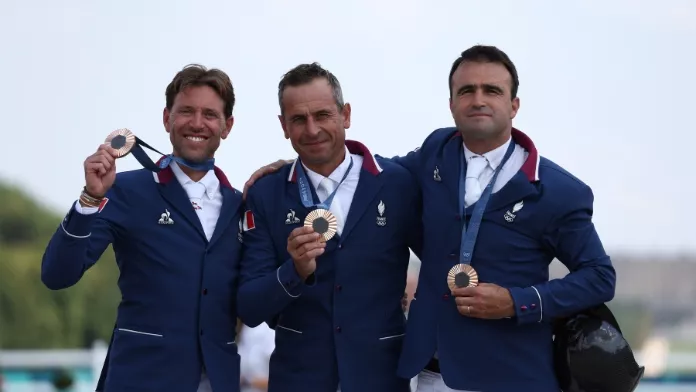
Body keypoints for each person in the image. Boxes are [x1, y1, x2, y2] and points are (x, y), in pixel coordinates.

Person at [243, 45, 616, 392]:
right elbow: (354, 172)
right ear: (452, 104)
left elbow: (600, 277)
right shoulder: (433, 155)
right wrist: (289, 169)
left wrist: (518, 302)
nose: (479, 100)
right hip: (431, 374)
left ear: (514, 104)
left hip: (514, 373)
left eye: (492, 90)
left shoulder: (558, 190)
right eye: (467, 90)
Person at [41, 64, 245, 392]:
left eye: (209, 114)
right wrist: (90, 199)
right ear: (167, 118)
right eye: (186, 111)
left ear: (227, 125)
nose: (197, 123)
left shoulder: (241, 205)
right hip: (140, 378)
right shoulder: (124, 189)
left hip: (218, 380)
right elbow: (57, 274)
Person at [236, 62, 422, 392]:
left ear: (345, 115)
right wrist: (293, 270)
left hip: (382, 379)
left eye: (322, 115)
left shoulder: (398, 183)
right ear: (283, 125)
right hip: (299, 380)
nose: (311, 130)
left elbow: (439, 260)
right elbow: (250, 307)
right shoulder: (266, 194)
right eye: (298, 119)